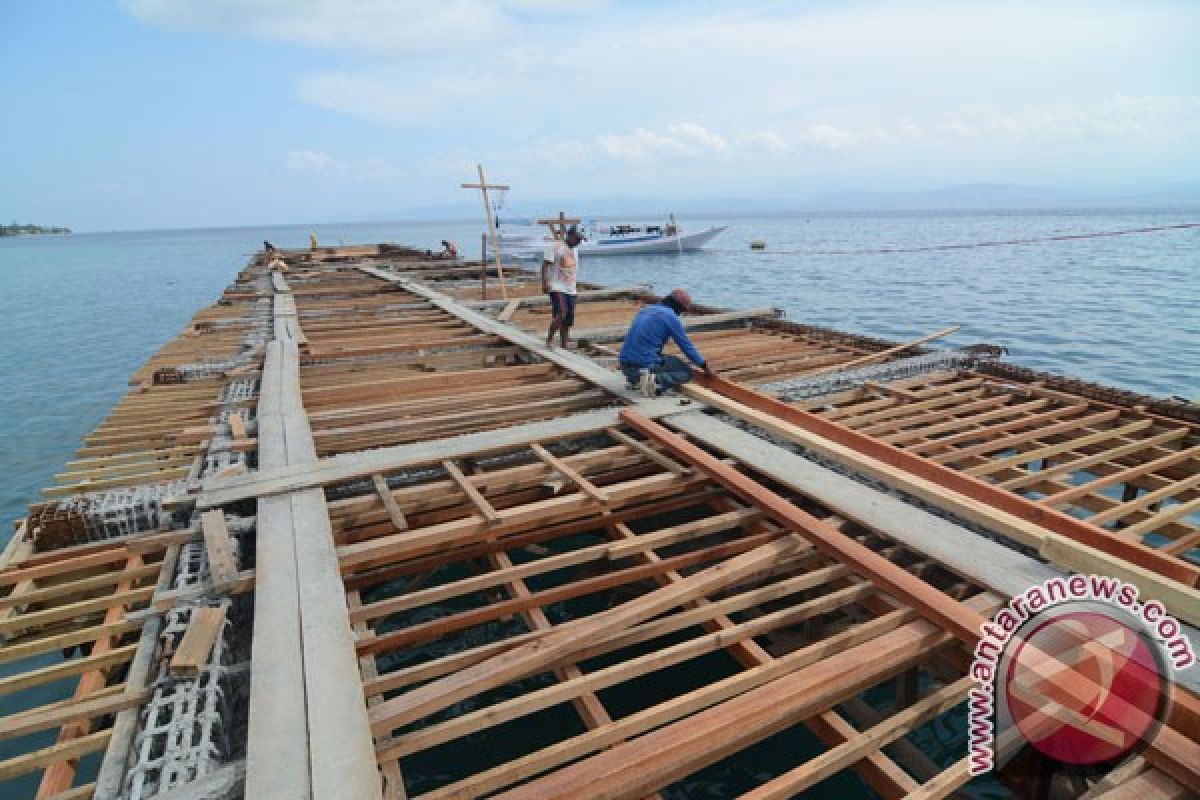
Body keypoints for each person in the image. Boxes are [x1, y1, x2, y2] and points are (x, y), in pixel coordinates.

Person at [618, 288, 713, 396]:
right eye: (682, 310)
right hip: (643, 366)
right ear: (678, 306)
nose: (680, 313)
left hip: (624, 366)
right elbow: (686, 346)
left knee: (673, 360)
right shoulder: (670, 317)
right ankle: (655, 380)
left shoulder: (645, 309)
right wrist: (704, 367)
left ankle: (635, 379)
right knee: (687, 373)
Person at [541, 226, 582, 348]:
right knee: (561, 313)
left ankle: (564, 344)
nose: (578, 242)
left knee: (568, 320)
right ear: (570, 235)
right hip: (556, 286)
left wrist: (575, 285)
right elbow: (545, 265)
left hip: (571, 288)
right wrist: (545, 282)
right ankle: (549, 339)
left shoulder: (575, 251)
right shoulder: (555, 247)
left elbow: (573, 270)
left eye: (580, 240)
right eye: (577, 239)